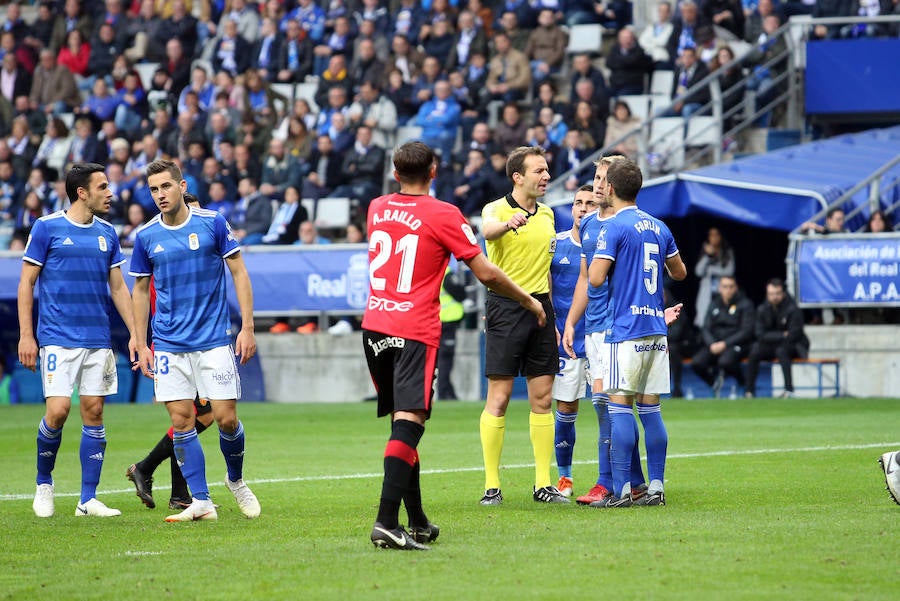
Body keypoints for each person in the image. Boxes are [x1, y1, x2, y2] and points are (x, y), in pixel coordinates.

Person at [363, 141, 546, 550]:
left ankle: (417, 520)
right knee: (409, 424)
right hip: (414, 329)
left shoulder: (376, 207)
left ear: (395, 174)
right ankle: (386, 522)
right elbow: (486, 273)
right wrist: (528, 300)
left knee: (402, 423)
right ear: (434, 171)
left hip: (375, 325)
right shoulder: (444, 214)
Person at [130, 159, 260, 522]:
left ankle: (235, 479)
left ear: (182, 186)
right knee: (182, 421)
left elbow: (239, 272)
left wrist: (247, 327)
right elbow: (139, 290)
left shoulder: (212, 222)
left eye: (166, 186)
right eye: (154, 189)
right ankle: (200, 500)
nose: (160, 194)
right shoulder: (146, 235)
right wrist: (141, 342)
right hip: (169, 344)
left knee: (226, 419)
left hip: (213, 339)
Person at [18, 162, 138, 518]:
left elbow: (118, 287)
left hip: (97, 338)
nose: (110, 193)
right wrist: (26, 335)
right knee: (58, 411)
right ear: (82, 193)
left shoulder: (107, 233)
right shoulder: (47, 227)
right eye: (103, 187)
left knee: (94, 411)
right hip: (57, 337)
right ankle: (44, 483)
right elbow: (26, 282)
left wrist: (136, 334)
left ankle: (87, 499)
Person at [587, 158, 687, 507]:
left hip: (625, 329)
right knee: (651, 410)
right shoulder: (659, 226)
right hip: (656, 329)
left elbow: (595, 278)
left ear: (612, 188)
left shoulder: (614, 226)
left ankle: (622, 491)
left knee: (620, 408)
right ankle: (656, 487)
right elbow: (679, 272)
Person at [479, 146, 566, 506]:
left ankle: (543, 484)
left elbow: (545, 268)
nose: (546, 176)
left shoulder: (547, 214)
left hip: (541, 308)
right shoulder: (496, 209)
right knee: (499, 399)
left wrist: (553, 316)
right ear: (517, 177)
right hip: (505, 307)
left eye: (546, 170)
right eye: (539, 171)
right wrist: (508, 224)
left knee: (543, 399)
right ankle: (492, 486)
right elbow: (487, 231)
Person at [125, 193, 218, 511]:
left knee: (196, 416)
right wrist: (144, 343)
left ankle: (175, 490)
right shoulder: (167, 261)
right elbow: (152, 303)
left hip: (193, 341)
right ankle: (150, 471)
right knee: (193, 416)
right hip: (176, 345)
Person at [551, 185, 597, 497]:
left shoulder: (608, 242)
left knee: (611, 407)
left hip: (602, 336)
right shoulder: (556, 244)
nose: (582, 208)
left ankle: (614, 477)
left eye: (589, 203)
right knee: (566, 407)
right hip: (566, 342)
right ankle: (564, 478)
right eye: (578, 202)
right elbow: (542, 285)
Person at [744, 278, 809, 399]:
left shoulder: (793, 309)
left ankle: (789, 390)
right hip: (771, 344)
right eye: (771, 294)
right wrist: (781, 335)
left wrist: (771, 336)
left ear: (783, 293)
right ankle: (749, 391)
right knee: (755, 351)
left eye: (777, 293)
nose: (774, 297)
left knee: (782, 351)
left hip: (794, 346)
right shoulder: (762, 309)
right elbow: (759, 334)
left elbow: (794, 334)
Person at [691, 275, 754, 397]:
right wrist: (712, 344)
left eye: (731, 287)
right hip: (714, 344)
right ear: (719, 288)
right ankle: (713, 383)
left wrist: (725, 344)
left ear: (736, 288)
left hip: (734, 344)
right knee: (697, 362)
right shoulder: (714, 303)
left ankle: (742, 382)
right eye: (725, 287)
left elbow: (746, 331)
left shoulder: (745, 304)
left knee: (725, 362)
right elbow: (705, 328)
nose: (728, 290)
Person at [694, 226, 735, 328]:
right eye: (711, 235)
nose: (714, 238)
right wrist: (708, 256)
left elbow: (730, 271)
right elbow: (698, 271)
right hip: (707, 292)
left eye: (716, 235)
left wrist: (712, 270)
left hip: (723, 292)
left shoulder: (727, 251)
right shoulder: (705, 251)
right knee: (704, 318)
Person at [437, 266, 467, 401]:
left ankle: (447, 390)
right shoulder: (445, 273)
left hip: (435, 319)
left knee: (440, 358)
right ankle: (444, 392)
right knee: (445, 358)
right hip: (447, 320)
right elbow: (460, 293)